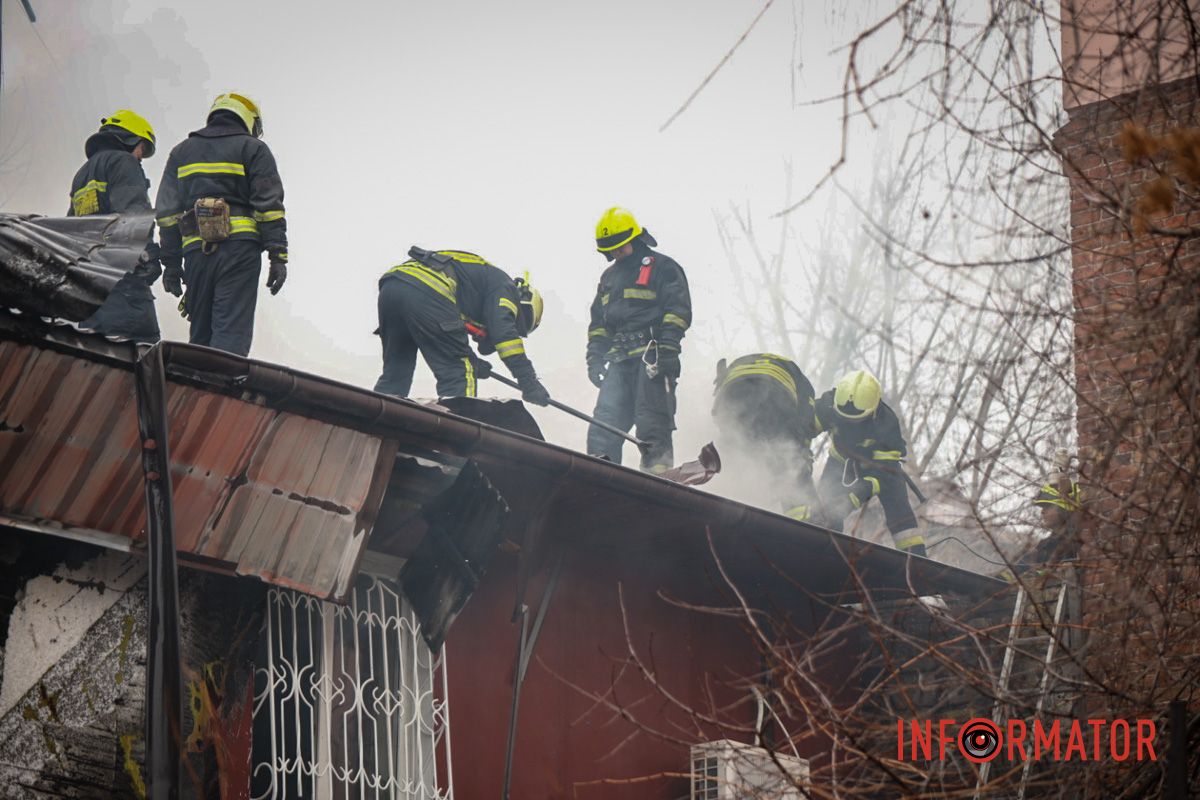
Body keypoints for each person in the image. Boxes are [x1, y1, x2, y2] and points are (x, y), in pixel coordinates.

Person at [154, 93, 287, 357]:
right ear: (249, 119)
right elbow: (269, 206)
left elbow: (167, 214)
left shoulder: (181, 152)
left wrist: (171, 264)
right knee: (230, 334)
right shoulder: (253, 149)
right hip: (239, 253)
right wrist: (278, 255)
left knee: (201, 335)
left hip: (196, 254)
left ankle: (196, 391)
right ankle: (221, 390)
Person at [586, 207, 691, 473]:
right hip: (619, 363)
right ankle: (599, 474)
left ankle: (658, 477)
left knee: (652, 424)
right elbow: (599, 323)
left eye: (621, 247)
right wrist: (595, 359)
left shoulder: (664, 268)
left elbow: (678, 311)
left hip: (652, 358)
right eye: (612, 249)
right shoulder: (609, 278)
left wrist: (668, 350)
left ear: (634, 238)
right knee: (604, 425)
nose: (617, 253)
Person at [374, 247, 548, 404]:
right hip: (429, 288)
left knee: (395, 373)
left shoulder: (476, 288)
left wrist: (472, 359)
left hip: (392, 286)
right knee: (459, 372)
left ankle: (375, 424)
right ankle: (457, 435)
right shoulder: (505, 288)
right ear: (523, 302)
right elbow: (505, 336)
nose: (512, 323)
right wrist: (528, 381)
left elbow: (446, 334)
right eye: (517, 323)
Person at [69, 109, 162, 342]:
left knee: (96, 354)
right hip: (122, 278)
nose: (140, 156)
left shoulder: (83, 174)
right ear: (130, 138)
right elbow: (133, 212)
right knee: (145, 352)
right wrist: (149, 254)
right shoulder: (123, 161)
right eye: (142, 148)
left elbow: (70, 226)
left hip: (89, 285)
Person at [814, 369, 926, 556]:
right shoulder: (829, 404)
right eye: (844, 419)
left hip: (882, 469)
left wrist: (850, 499)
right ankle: (822, 550)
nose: (849, 425)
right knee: (825, 510)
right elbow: (803, 428)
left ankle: (918, 566)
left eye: (856, 421)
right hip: (841, 461)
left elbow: (880, 479)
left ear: (872, 412)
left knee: (902, 521)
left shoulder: (887, 427)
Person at [712, 353, 819, 520]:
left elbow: (720, 409)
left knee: (732, 448)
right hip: (773, 394)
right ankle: (801, 521)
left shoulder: (748, 363)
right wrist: (802, 458)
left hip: (731, 390)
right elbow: (804, 426)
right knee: (786, 460)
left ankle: (717, 498)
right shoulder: (805, 388)